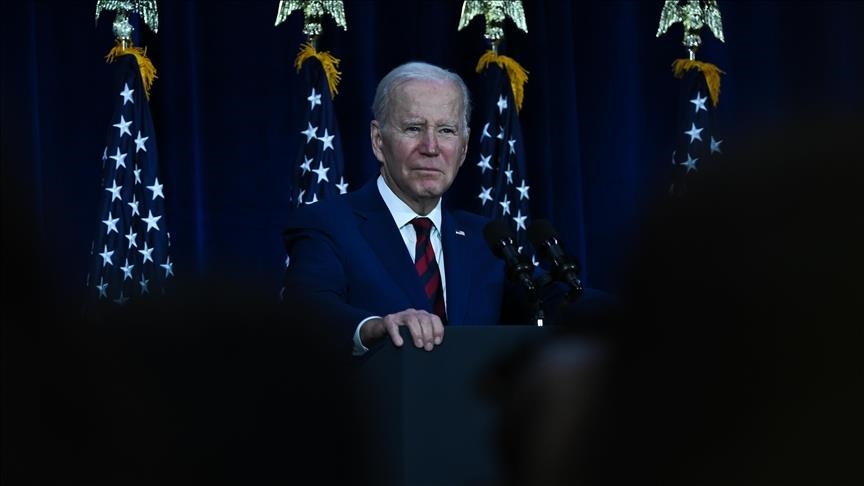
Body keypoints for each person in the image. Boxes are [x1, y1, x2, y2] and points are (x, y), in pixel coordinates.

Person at [281, 61, 529, 356]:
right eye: (413, 128)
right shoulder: (328, 224)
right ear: (378, 141)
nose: (431, 147)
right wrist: (374, 328)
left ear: (463, 149)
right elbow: (307, 310)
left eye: (446, 130)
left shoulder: (487, 240)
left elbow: (551, 301)